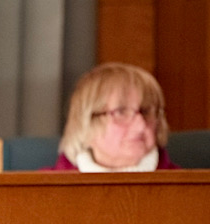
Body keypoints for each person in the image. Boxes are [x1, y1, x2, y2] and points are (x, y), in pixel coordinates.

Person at [48, 62, 178, 171]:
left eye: (146, 111)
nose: (141, 125)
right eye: (121, 112)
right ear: (86, 121)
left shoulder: (187, 188)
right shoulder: (42, 191)